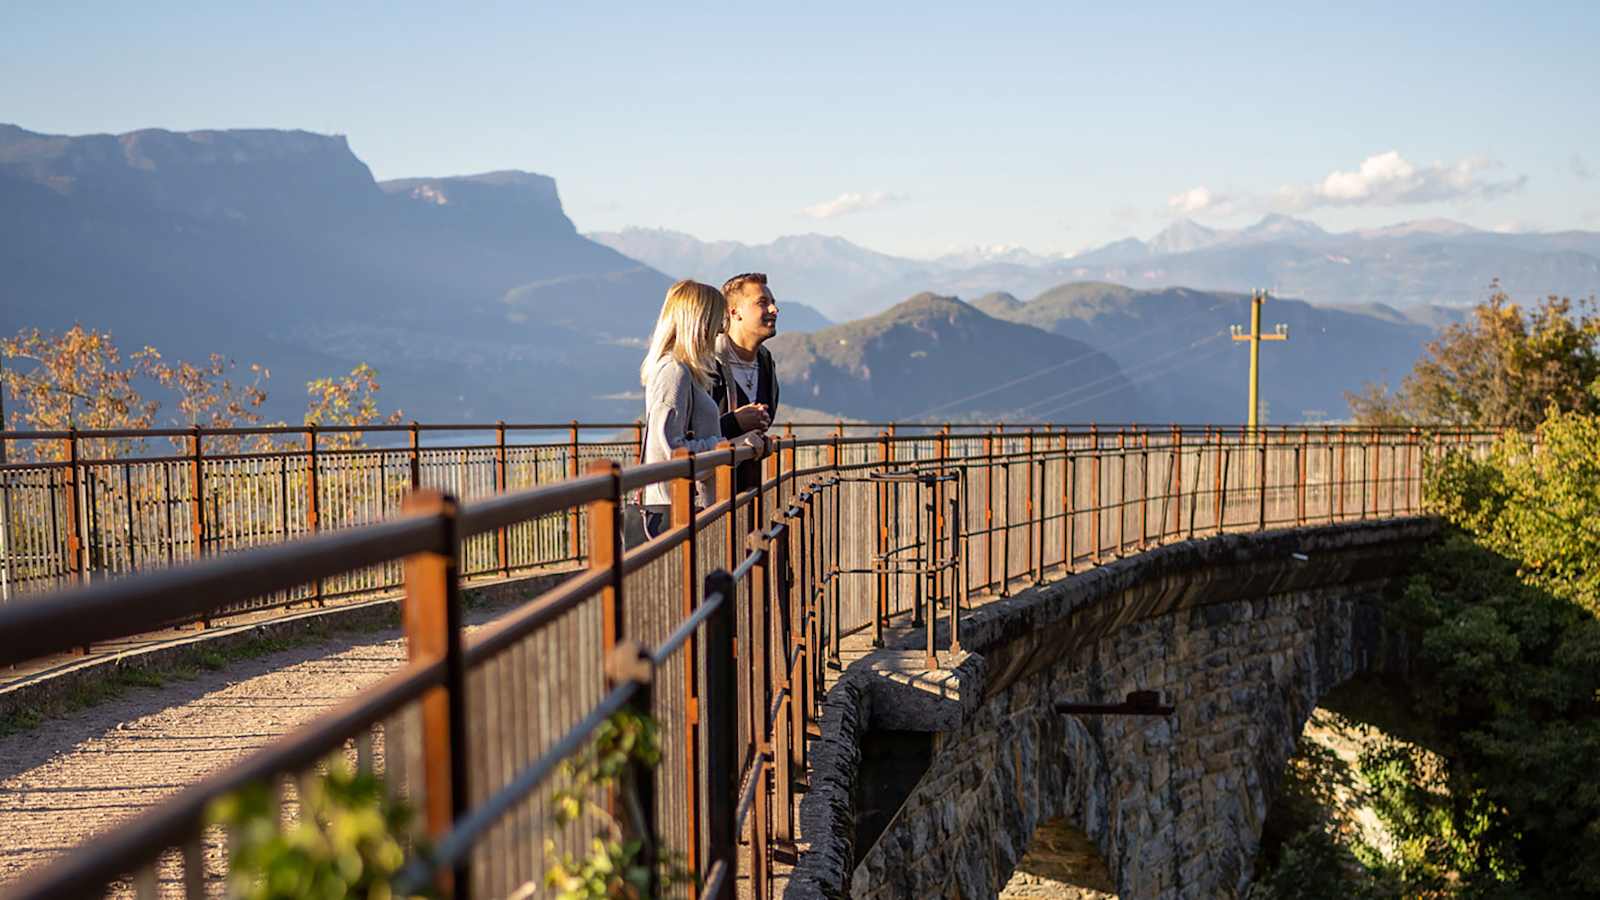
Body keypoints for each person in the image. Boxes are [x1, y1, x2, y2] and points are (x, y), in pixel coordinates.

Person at [639, 279, 770, 539]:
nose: (721, 329)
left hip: (689, 509)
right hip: (677, 512)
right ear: (699, 322)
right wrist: (731, 447)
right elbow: (672, 453)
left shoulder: (686, 371)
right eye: (716, 321)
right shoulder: (674, 372)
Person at [713, 272, 782, 493]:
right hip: (704, 503)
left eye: (773, 303)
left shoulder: (766, 362)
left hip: (746, 495)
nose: (774, 310)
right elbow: (689, 435)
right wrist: (735, 423)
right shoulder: (707, 362)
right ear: (734, 312)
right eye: (763, 303)